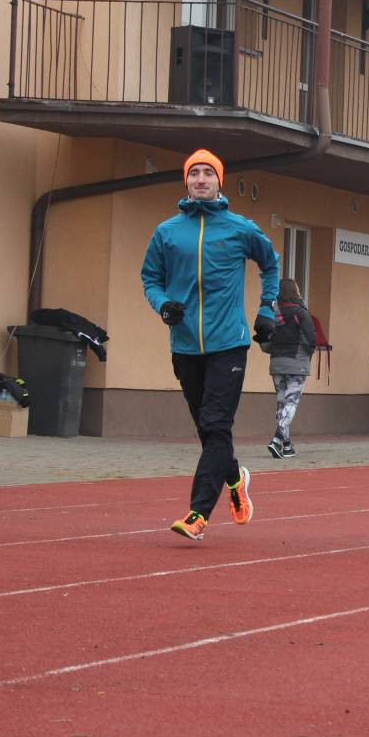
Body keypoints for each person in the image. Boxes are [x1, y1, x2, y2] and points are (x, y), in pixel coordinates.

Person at [141, 149, 279, 541]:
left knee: (217, 424)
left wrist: (267, 309)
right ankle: (235, 479)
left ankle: (198, 513)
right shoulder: (167, 232)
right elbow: (150, 278)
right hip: (185, 345)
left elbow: (271, 263)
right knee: (208, 429)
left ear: (220, 181)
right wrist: (163, 304)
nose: (201, 179)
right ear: (186, 181)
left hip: (228, 343)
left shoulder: (240, 228)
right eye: (194, 173)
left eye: (208, 173)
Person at [264, 278, 317, 458]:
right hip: (297, 363)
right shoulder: (301, 313)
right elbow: (311, 339)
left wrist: (274, 350)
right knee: (291, 402)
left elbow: (265, 341)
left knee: (281, 403)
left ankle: (286, 446)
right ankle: (277, 439)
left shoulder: (273, 313)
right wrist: (307, 354)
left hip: (277, 363)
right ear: (295, 291)